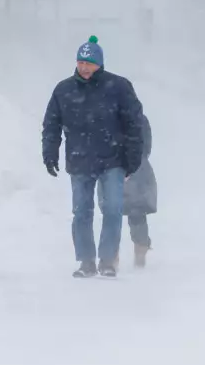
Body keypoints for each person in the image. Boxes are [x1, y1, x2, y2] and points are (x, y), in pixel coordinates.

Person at [42, 36, 145, 278]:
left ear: (100, 64)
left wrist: (133, 158)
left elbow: (134, 124)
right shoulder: (64, 90)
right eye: (80, 62)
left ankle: (108, 260)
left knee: (112, 209)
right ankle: (86, 261)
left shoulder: (119, 87)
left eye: (89, 63)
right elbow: (51, 124)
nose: (84, 68)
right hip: (80, 161)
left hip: (113, 160)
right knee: (81, 212)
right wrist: (49, 152)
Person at [99, 112, 156, 268]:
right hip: (137, 167)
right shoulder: (140, 118)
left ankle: (112, 256)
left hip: (112, 168)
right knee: (137, 212)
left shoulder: (106, 117)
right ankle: (140, 251)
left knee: (112, 214)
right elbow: (146, 147)